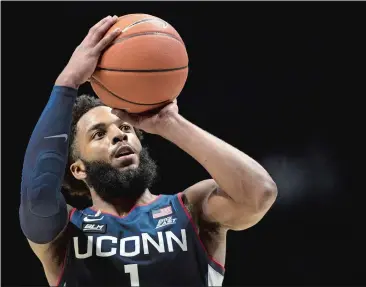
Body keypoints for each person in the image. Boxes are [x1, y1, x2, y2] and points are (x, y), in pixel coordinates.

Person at [19, 15, 277, 287]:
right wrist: (67, 82)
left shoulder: (192, 209)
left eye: (126, 128)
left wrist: (171, 124)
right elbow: (36, 195)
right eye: (99, 134)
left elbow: (260, 193)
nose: (119, 134)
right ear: (78, 168)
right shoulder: (66, 233)